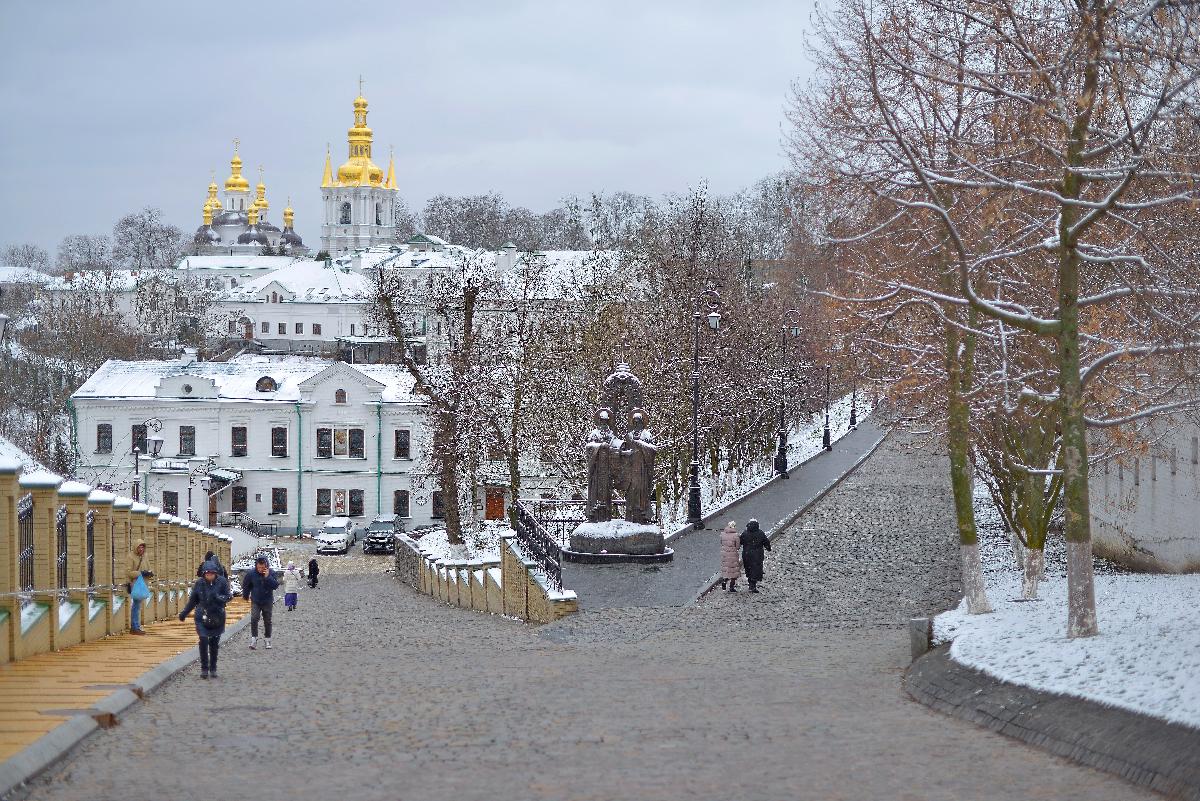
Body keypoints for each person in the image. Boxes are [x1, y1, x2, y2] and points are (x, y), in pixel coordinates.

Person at [179, 559, 232, 679]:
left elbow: (228, 596)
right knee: (203, 640)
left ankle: (213, 668)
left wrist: (218, 598)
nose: (209, 576)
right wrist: (185, 612)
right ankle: (204, 668)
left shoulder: (222, 582)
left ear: (215, 573)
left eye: (211, 574)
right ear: (204, 574)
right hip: (202, 615)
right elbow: (193, 600)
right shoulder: (199, 583)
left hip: (217, 616)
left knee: (214, 643)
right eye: (207, 574)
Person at [242, 555, 279, 650]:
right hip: (256, 600)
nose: (260, 569)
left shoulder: (271, 573)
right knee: (254, 618)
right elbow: (246, 585)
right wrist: (245, 595)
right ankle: (254, 639)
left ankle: (268, 639)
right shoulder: (251, 574)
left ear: (266, 566)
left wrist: (267, 577)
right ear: (256, 566)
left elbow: (275, 586)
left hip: (267, 600)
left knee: (267, 620)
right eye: (259, 567)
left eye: (262, 568)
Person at [123, 539, 153, 635]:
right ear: (136, 547)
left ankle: (136, 626)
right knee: (136, 605)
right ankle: (135, 627)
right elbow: (128, 572)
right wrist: (141, 573)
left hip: (142, 584)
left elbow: (148, 568)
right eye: (139, 547)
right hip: (135, 584)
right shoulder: (131, 557)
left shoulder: (145, 556)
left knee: (138, 605)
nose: (141, 549)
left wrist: (149, 573)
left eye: (142, 547)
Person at [739, 519, 771, 593]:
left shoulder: (745, 533)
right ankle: (753, 584)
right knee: (756, 569)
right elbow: (766, 542)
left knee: (748, 568)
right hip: (757, 554)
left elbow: (740, 542)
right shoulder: (760, 533)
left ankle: (750, 582)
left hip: (747, 554)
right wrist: (768, 548)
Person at [718, 521, 742, 592]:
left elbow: (721, 543)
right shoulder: (736, 535)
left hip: (725, 555)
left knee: (727, 570)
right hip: (733, 555)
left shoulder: (722, 534)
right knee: (733, 572)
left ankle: (724, 581)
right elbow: (738, 547)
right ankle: (731, 587)